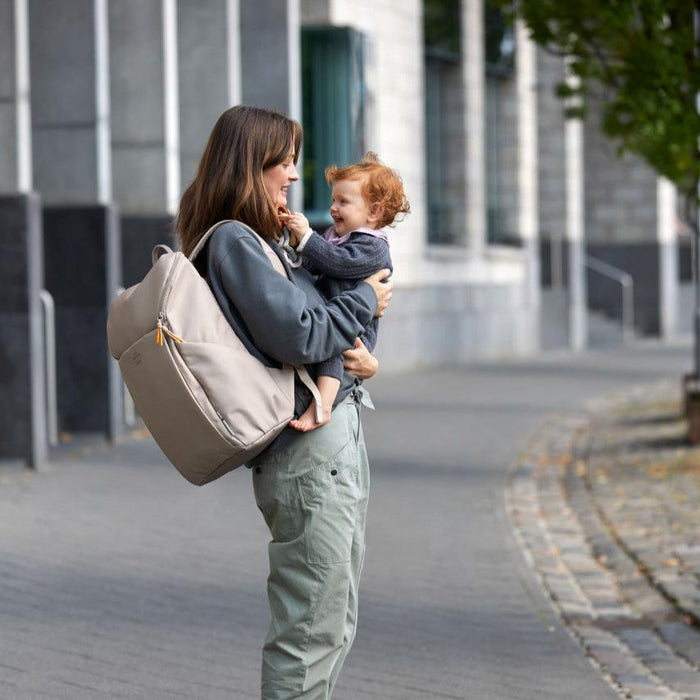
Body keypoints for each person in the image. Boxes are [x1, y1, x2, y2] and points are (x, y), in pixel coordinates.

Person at [175, 105, 392, 700]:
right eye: (286, 161)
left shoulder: (261, 242)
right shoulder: (237, 243)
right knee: (310, 629)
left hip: (327, 445)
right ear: (253, 165)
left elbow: (315, 333)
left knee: (331, 618)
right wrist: (363, 304)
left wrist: (361, 362)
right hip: (307, 452)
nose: (294, 175)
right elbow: (298, 334)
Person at [281, 152, 410, 432]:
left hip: (356, 328)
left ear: (373, 212)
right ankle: (322, 401)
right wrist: (295, 245)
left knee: (333, 349)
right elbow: (316, 264)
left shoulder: (373, 247)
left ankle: (323, 405)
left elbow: (337, 262)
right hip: (337, 313)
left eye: (344, 202)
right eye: (333, 200)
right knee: (330, 340)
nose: (333, 208)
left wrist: (308, 238)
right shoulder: (337, 236)